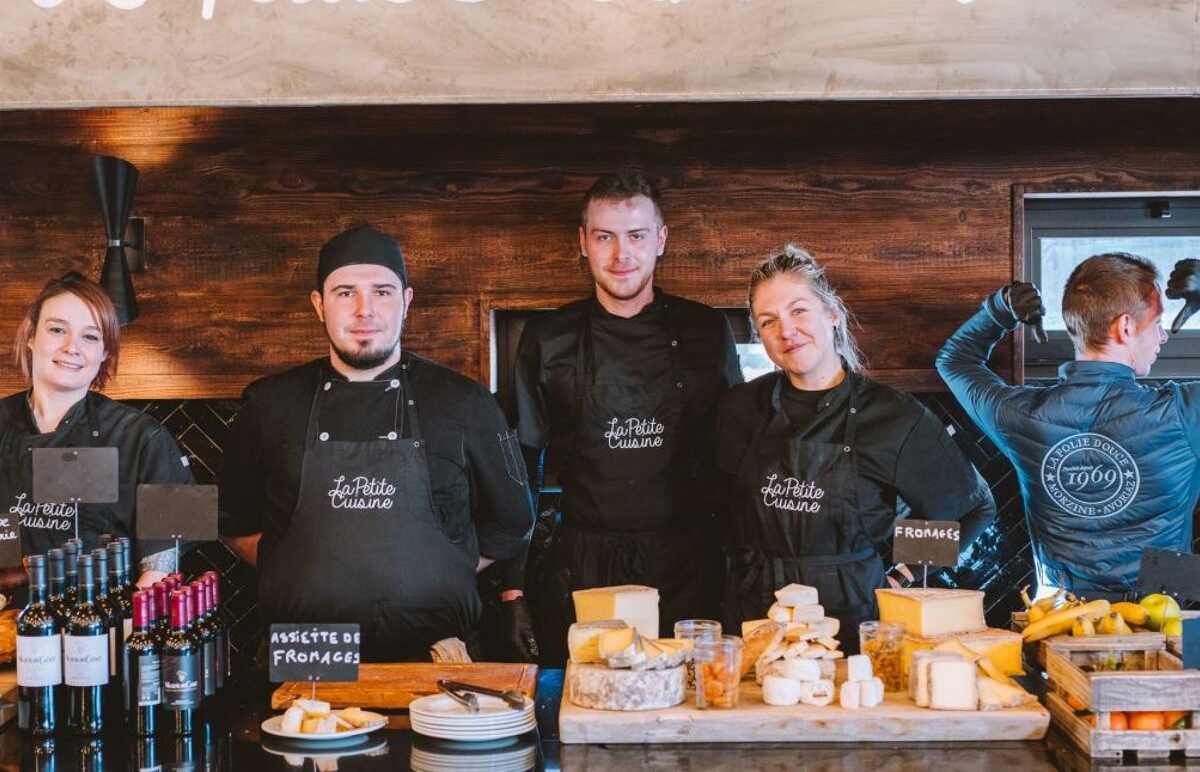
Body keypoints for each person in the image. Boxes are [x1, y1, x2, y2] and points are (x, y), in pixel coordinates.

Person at [218, 226, 534, 662]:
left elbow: (512, 522)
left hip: (437, 658)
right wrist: (293, 571)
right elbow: (233, 522)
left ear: (405, 301)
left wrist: (444, 569)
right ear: (319, 305)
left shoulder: (465, 402)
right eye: (345, 293)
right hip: (308, 664)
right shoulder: (269, 404)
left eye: (382, 292)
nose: (365, 310)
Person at [507, 171, 742, 664]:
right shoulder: (549, 338)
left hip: (687, 562)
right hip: (584, 564)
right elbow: (521, 467)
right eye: (605, 237)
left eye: (636, 236)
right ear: (583, 243)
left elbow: (737, 455)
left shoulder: (705, 331)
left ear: (660, 240)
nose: (621, 255)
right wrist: (511, 587)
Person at [717, 246, 996, 652]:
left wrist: (902, 574)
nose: (786, 331)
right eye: (768, 321)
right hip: (756, 620)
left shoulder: (893, 417)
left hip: (851, 624)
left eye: (799, 311)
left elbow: (974, 509)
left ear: (832, 313)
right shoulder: (739, 409)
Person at [937, 253, 1200, 599]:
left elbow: (954, 361)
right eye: (1157, 323)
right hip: (1166, 614)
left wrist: (999, 311)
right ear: (1124, 327)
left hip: (1061, 614)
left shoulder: (1023, 415)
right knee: (1185, 653)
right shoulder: (1184, 412)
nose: (1163, 336)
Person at [0, 272, 193, 593]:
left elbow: (164, 565)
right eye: (57, 329)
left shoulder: (145, 437)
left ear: (105, 351)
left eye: (90, 336)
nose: (70, 347)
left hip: (99, 633)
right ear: (32, 336)